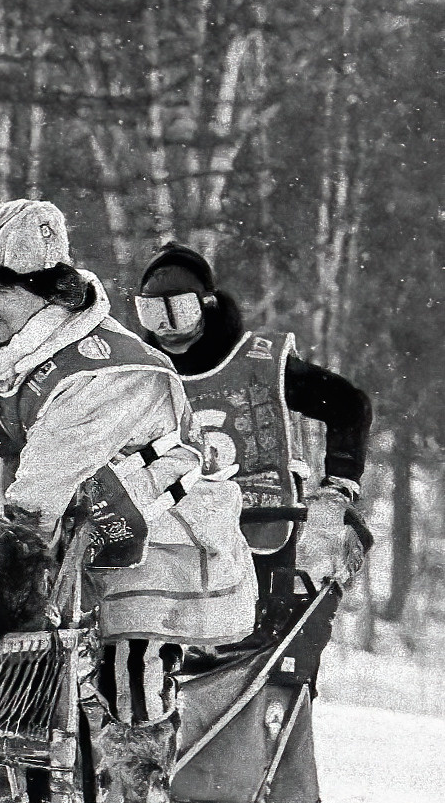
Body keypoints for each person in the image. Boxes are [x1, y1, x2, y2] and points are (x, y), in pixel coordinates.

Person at [0, 199, 256, 803]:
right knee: (10, 639)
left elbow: (40, 494)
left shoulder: (101, 367)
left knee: (128, 659)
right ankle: (15, 795)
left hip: (154, 511)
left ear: (41, 292)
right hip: (67, 498)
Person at [133, 242, 371, 601]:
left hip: (261, 522)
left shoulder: (260, 361)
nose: (165, 327)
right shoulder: (141, 370)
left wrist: (338, 486)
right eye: (151, 313)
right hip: (172, 530)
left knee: (251, 632)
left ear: (206, 305)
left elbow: (348, 405)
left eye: (178, 310)